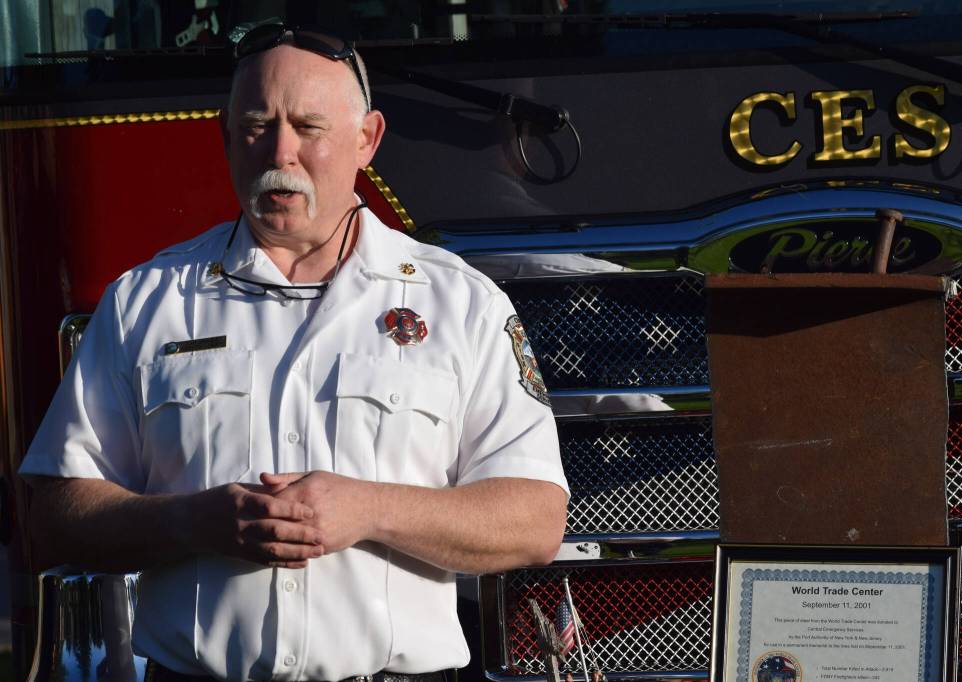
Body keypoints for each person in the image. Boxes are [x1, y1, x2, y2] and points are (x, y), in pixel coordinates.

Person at [20, 25, 569, 682]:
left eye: (309, 126)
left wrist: (369, 508)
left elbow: (535, 520)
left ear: (367, 139)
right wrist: (193, 521)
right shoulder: (145, 302)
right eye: (256, 125)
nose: (281, 152)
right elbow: (52, 519)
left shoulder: (462, 304)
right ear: (226, 139)